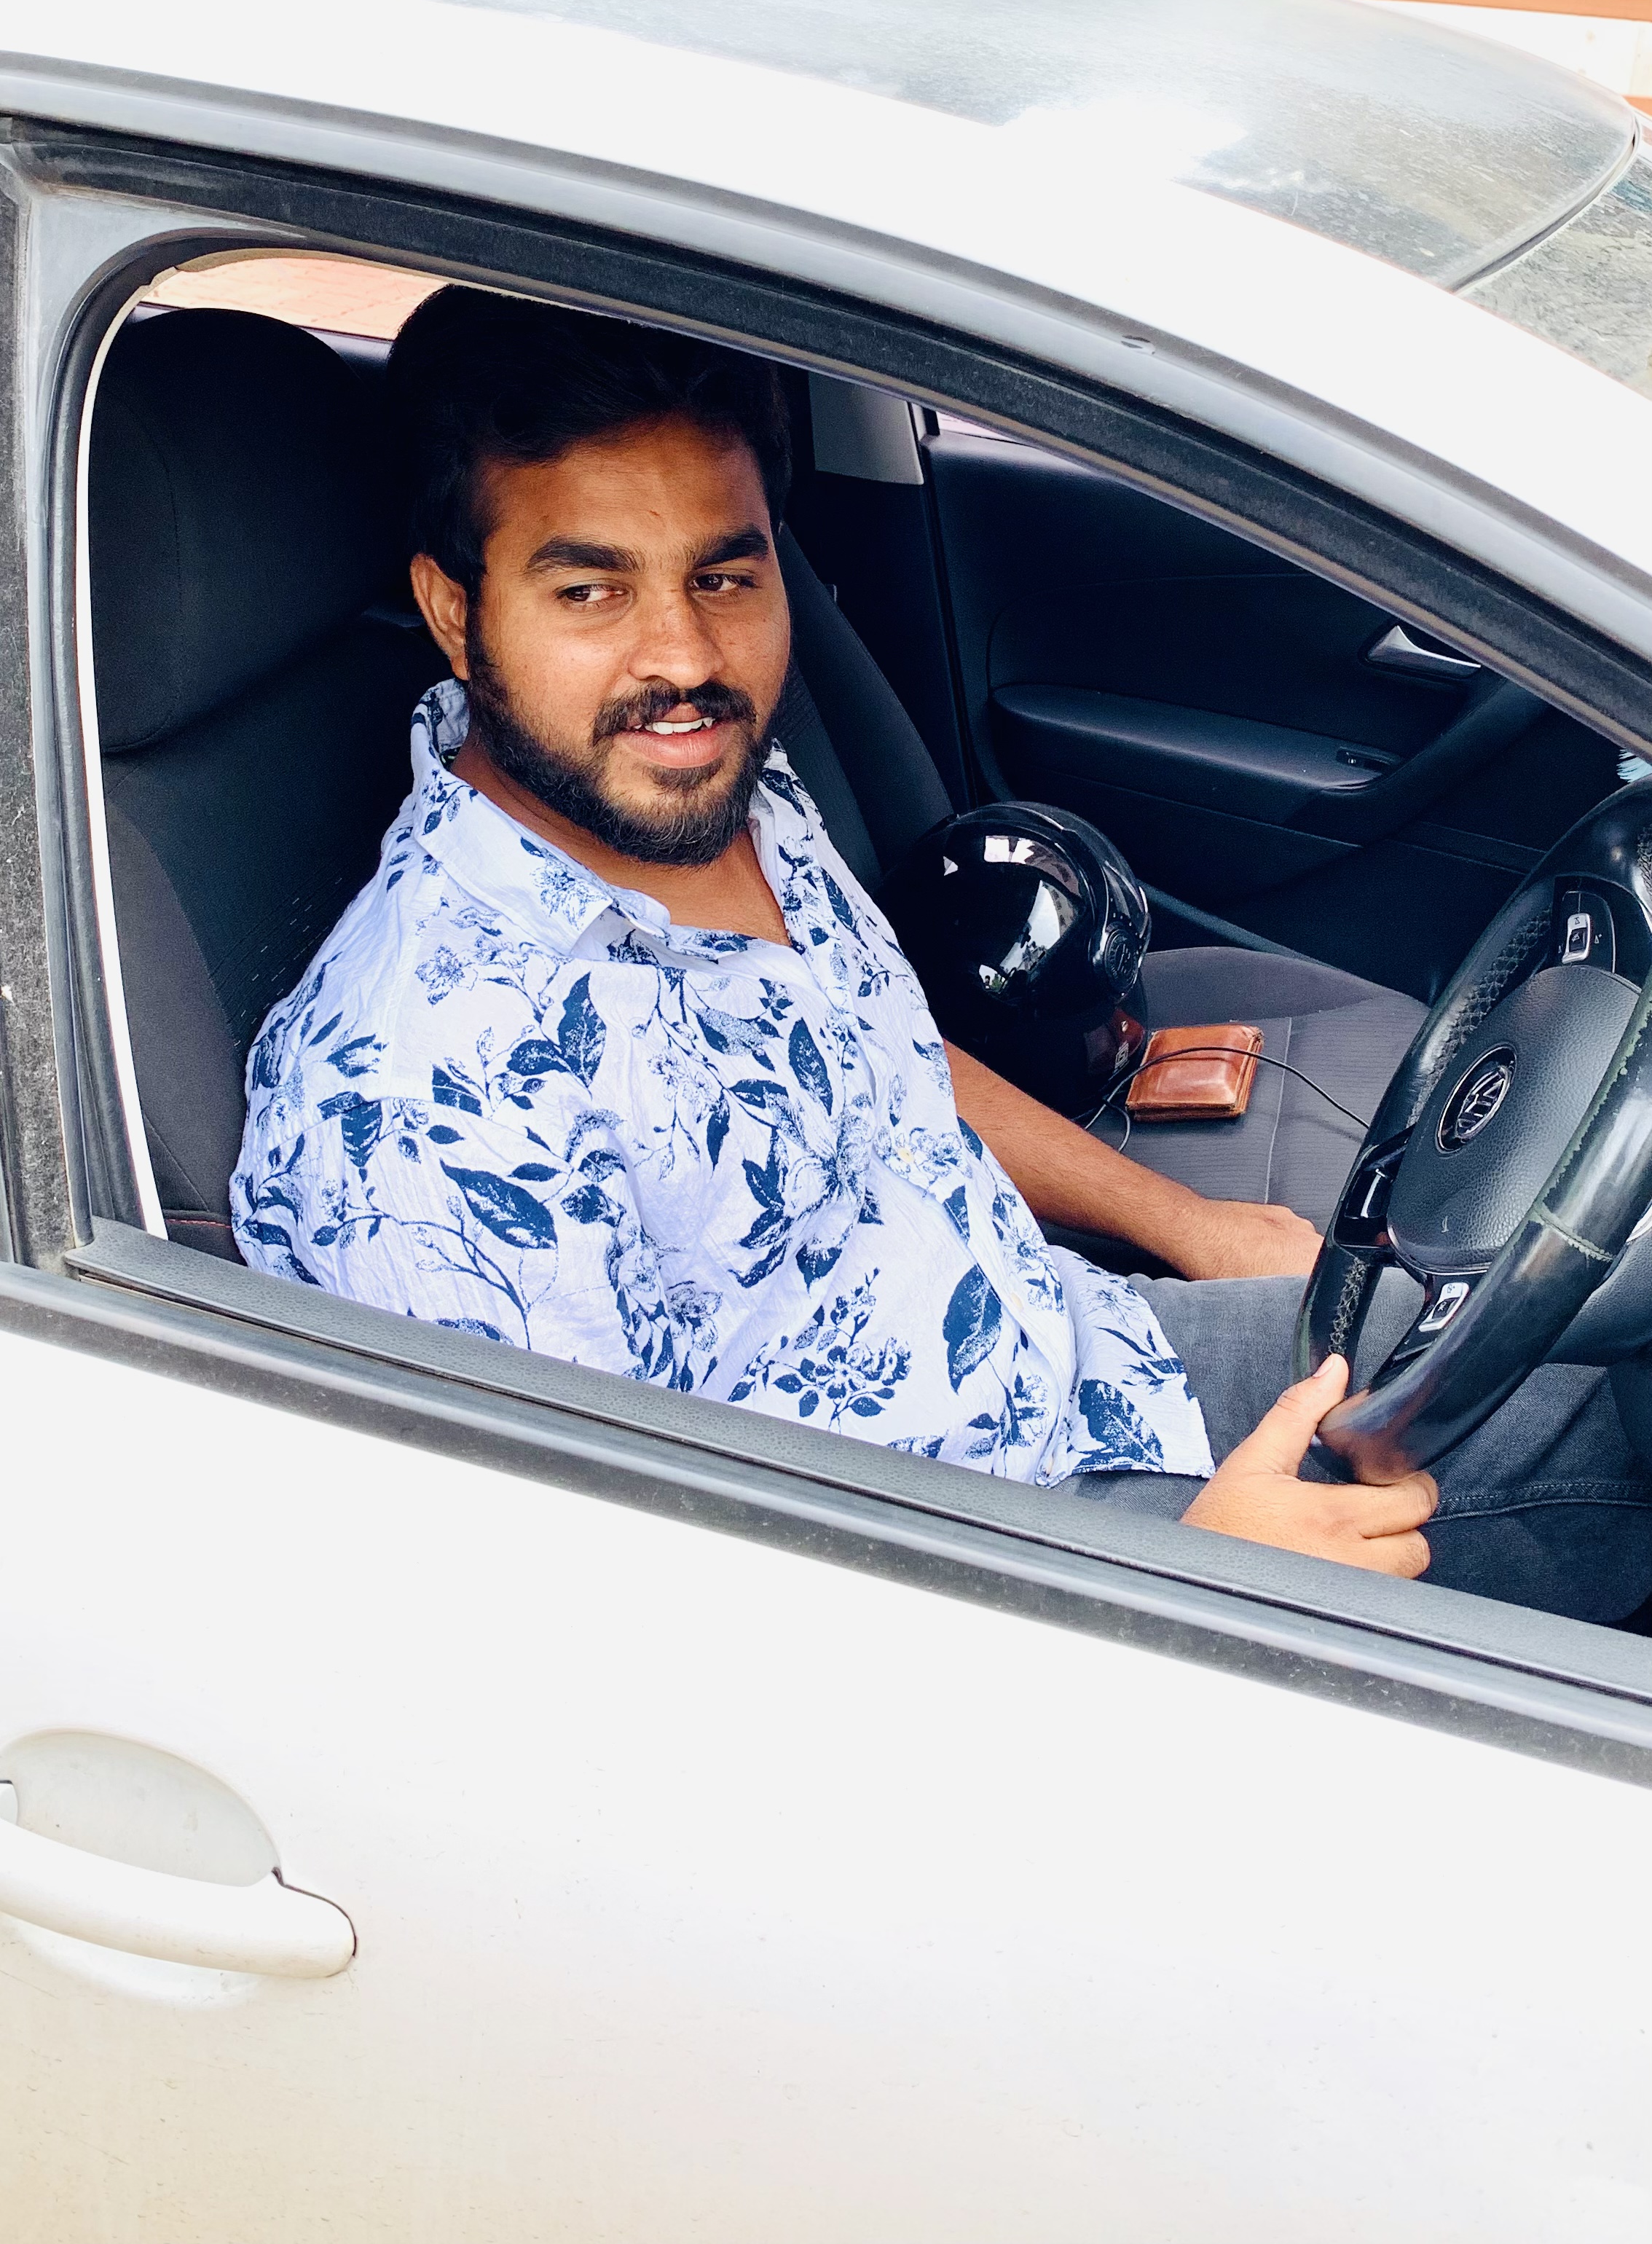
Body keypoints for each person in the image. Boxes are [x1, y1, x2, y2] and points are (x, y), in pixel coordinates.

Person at [232, 291, 1652, 1616]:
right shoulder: (424, 1118)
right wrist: (1190, 1592)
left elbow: (883, 1061)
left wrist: (1188, 1226)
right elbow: (620, 1646)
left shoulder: (708, 797)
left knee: (1601, 1338)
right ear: (453, 608)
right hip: (1005, 1595)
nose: (685, 660)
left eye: (723, 576)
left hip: (1077, 1351)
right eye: (590, 592)